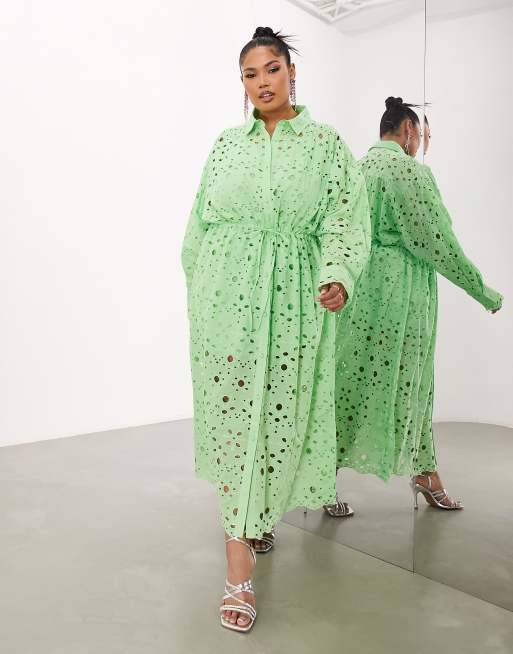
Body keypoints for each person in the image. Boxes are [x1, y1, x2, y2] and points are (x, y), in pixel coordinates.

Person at [181, 26, 370, 632]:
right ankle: (238, 568)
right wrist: (200, 295)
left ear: (291, 71)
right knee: (235, 423)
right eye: (250, 74)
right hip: (225, 303)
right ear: (241, 83)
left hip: (294, 302)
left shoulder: (325, 144)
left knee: (280, 417)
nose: (261, 82)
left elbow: (345, 218)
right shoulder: (225, 146)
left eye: (271, 69)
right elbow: (199, 226)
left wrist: (337, 275)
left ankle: (257, 514)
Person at [327, 96, 502, 514]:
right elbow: (439, 242)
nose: (420, 144)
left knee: (346, 382)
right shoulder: (409, 172)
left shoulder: (357, 169)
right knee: (412, 384)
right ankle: (425, 473)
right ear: (408, 130)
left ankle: (323, 482)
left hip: (356, 291)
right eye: (421, 136)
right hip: (400, 296)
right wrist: (482, 290)